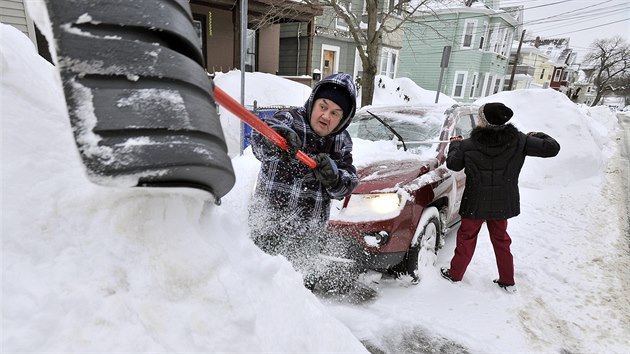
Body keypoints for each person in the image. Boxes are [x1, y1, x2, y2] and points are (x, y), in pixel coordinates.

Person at [248, 73, 360, 287]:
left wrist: (336, 179)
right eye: (323, 106)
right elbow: (260, 142)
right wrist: (275, 139)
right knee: (259, 290)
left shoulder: (342, 142)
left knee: (299, 297)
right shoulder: (290, 119)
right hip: (269, 226)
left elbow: (348, 182)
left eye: (335, 113)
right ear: (313, 102)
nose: (326, 116)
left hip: (307, 237)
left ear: (344, 119)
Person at [441, 102, 560, 292]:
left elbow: (454, 165)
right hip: (502, 201)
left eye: (480, 117)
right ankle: (507, 280)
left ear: (484, 121)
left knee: (467, 237)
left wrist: (455, 144)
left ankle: (455, 274)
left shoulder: (468, 144)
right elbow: (552, 148)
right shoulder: (520, 141)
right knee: (501, 240)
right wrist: (537, 135)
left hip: (475, 201)